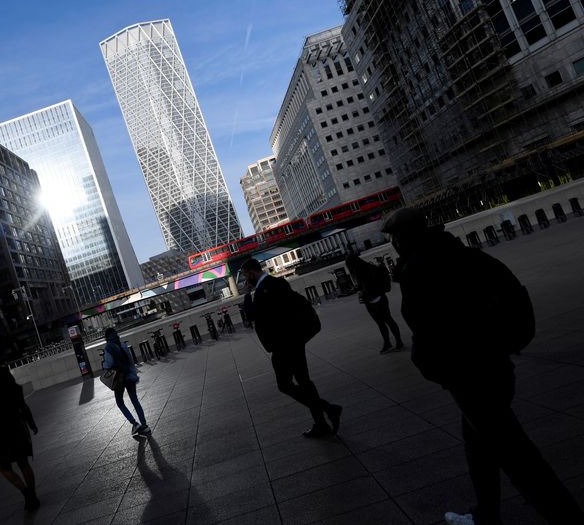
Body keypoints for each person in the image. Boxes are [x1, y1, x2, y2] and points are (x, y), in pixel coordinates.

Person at [382, 207, 584, 525]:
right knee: (478, 446)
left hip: (470, 377)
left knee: (521, 461)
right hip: (498, 365)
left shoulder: (419, 270)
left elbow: (429, 330)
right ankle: (486, 514)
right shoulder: (463, 254)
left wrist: (433, 367)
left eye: (394, 237)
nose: (392, 243)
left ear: (403, 238)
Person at [240, 258, 342, 438]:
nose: (245, 281)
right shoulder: (278, 282)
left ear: (251, 273)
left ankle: (328, 408)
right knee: (304, 381)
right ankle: (321, 424)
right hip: (295, 340)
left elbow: (251, 315)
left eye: (245, 277)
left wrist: (247, 294)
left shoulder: (264, 290)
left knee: (285, 384)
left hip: (283, 345)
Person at [0, 365, 40, 512]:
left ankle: (26, 493)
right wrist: (32, 425)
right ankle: (33, 495)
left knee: (4, 468)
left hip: (2, 438)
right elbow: (24, 408)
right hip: (19, 431)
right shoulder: (16, 391)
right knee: (24, 464)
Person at [345, 254, 404, 354]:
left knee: (383, 322)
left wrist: (362, 292)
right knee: (387, 320)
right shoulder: (368, 268)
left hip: (374, 299)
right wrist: (359, 289)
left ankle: (391, 343)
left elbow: (370, 286)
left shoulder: (363, 271)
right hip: (377, 298)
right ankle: (395, 342)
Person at [103, 328, 151, 437]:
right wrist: (133, 374)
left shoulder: (108, 348)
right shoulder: (123, 345)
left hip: (118, 379)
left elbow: (108, 364)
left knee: (120, 402)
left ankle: (134, 423)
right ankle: (145, 426)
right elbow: (131, 362)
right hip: (129, 376)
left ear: (107, 337)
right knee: (135, 400)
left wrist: (104, 365)